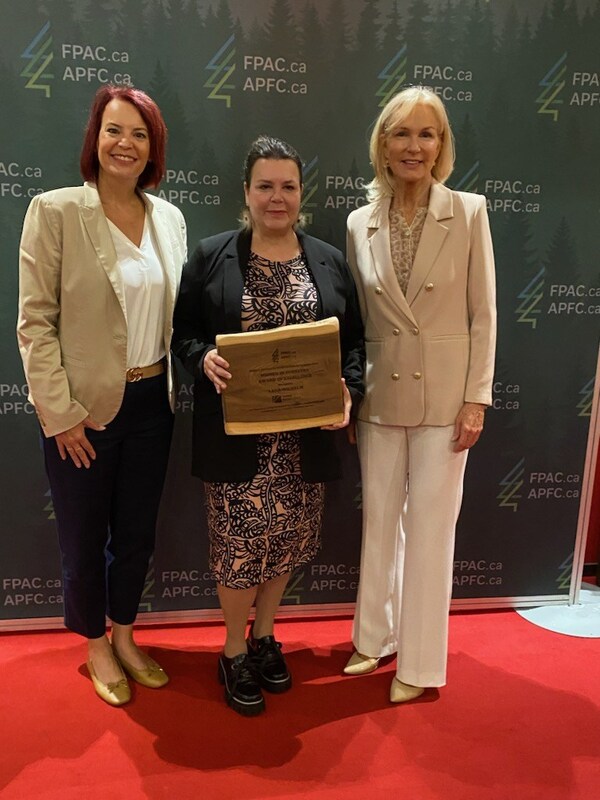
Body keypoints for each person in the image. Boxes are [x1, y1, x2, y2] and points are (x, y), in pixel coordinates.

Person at [173, 135, 364, 716]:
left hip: (303, 441)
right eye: (265, 187)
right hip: (236, 440)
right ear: (247, 193)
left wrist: (348, 388)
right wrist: (203, 359)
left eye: (287, 187)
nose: (276, 198)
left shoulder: (328, 260)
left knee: (284, 547)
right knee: (238, 550)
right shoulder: (211, 256)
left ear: (301, 194)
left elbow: (353, 345)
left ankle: (263, 638)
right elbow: (182, 336)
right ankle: (233, 651)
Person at [17, 85, 187, 706]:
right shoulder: (56, 210)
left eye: (140, 135)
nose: (126, 144)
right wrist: (59, 414)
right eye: (115, 131)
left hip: (152, 403)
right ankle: (93, 643)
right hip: (83, 410)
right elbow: (35, 321)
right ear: (95, 138)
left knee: (137, 533)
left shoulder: (168, 218)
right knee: (84, 534)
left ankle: (125, 632)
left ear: (153, 149)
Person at [344, 86, 496, 703]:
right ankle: (372, 637)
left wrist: (476, 398)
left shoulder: (469, 211)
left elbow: (483, 313)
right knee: (379, 522)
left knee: (432, 531)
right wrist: (351, 396)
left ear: (443, 145)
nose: (414, 146)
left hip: (445, 402)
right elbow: (357, 319)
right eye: (401, 133)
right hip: (381, 398)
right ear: (382, 143)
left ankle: (422, 663)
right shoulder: (361, 221)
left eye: (426, 134)